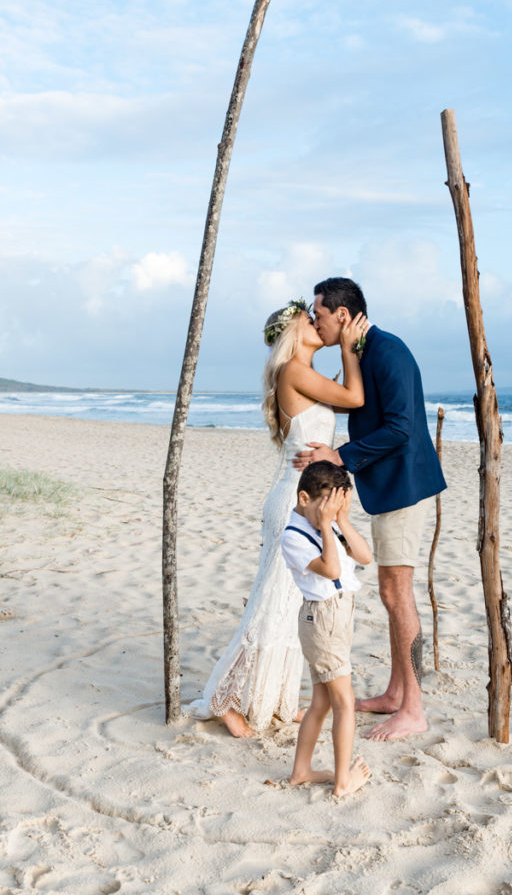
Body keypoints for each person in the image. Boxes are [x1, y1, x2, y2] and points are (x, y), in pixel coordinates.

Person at [183, 298, 368, 737]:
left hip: (305, 499)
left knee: (291, 606)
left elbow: (345, 403)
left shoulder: (307, 376)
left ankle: (276, 700)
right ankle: (226, 699)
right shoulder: (293, 372)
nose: (315, 321)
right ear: (294, 330)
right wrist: (349, 345)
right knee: (272, 602)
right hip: (293, 501)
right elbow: (355, 397)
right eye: (309, 317)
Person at [294, 278, 446, 741]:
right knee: (389, 592)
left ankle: (413, 709)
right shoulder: (364, 350)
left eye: (319, 315)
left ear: (342, 314)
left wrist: (339, 456)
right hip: (389, 486)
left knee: (398, 595)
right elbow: (352, 400)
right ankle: (396, 693)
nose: (315, 323)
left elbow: (401, 428)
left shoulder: (388, 351)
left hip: (405, 486)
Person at [281, 461, 372, 797]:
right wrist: (325, 524)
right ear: (304, 498)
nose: (333, 513)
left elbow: (364, 557)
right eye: (329, 506)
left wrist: (341, 521)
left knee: (320, 701)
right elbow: (331, 567)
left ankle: (301, 770)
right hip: (322, 620)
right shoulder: (294, 536)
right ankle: (342, 783)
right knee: (344, 703)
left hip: (337, 618)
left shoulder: (331, 525)